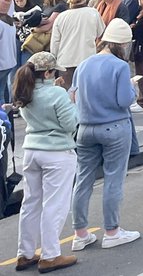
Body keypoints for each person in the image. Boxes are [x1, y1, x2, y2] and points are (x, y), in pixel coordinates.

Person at [68, 18, 140, 251]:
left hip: (85, 128)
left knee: (83, 180)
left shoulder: (84, 64)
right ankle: (112, 231)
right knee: (113, 179)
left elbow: (73, 96)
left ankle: (80, 233)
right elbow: (124, 100)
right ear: (123, 44)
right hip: (115, 127)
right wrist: (133, 87)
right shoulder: (120, 66)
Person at [12, 52, 79, 273]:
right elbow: (70, 124)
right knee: (55, 204)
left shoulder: (25, 91)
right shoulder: (57, 94)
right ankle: (50, 255)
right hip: (57, 152)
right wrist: (72, 103)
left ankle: (25, 253)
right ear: (49, 72)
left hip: (31, 150)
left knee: (30, 204)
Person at [49, 0, 104, 91]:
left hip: (65, 61)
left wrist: (54, 60)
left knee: (67, 94)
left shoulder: (61, 17)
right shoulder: (93, 13)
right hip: (87, 59)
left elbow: (55, 42)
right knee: (85, 92)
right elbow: (101, 33)